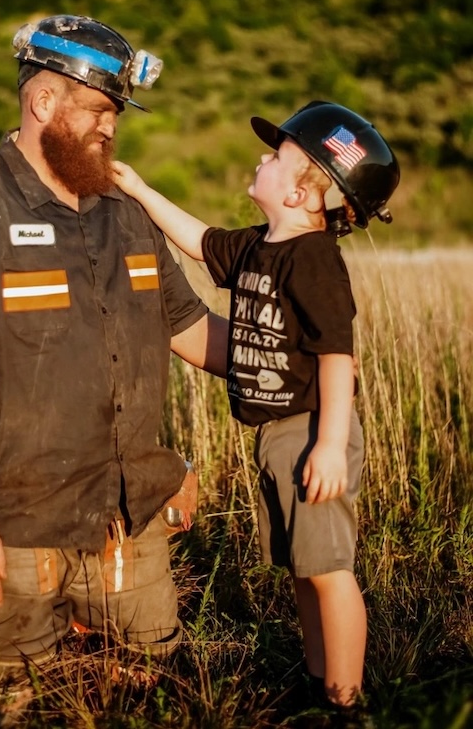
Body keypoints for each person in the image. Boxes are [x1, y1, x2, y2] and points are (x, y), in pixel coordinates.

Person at [0, 14, 228, 685]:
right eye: (99, 109)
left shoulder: (127, 210)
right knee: (8, 694)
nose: (111, 126)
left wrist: (281, 363)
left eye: (117, 112)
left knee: (158, 678)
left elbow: (187, 327)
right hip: (9, 524)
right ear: (43, 101)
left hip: (122, 523)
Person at [113, 100, 400, 712]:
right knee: (302, 567)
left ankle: (346, 702)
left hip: (312, 429)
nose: (261, 159)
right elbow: (196, 240)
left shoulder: (313, 258)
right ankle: (318, 678)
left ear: (301, 193)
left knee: (329, 569)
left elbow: (336, 356)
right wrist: (137, 187)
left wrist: (328, 444)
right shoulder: (258, 247)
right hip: (278, 435)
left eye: (277, 156)